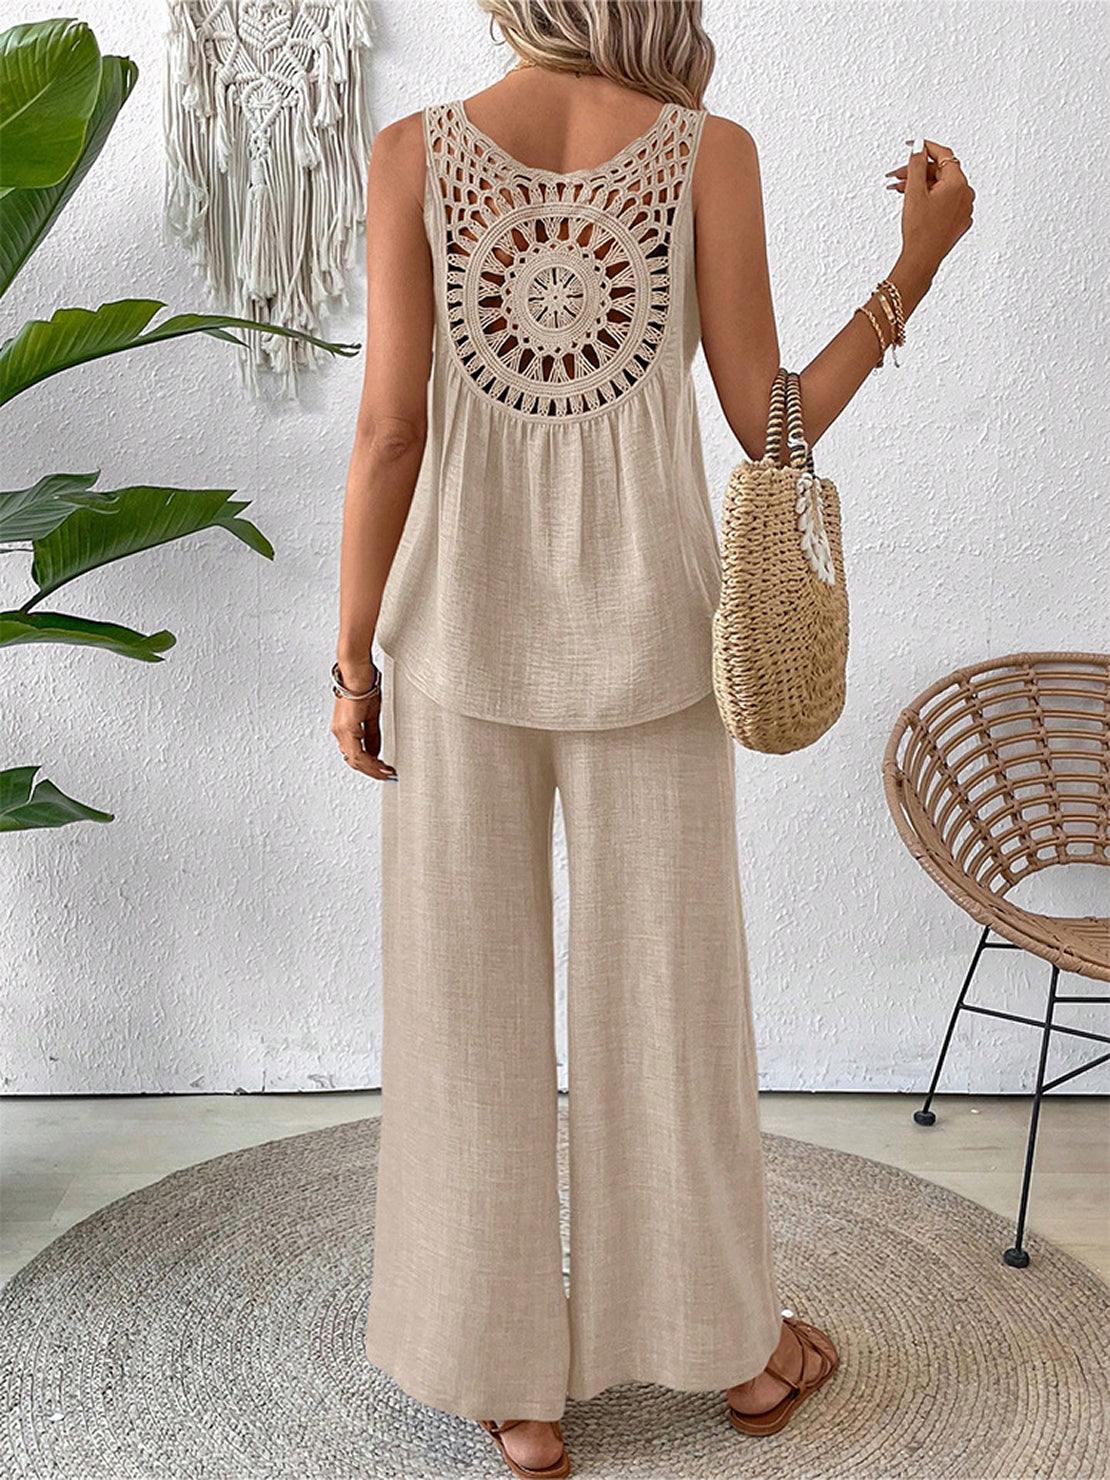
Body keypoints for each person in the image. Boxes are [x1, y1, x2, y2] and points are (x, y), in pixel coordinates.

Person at [330, 3, 974, 1475]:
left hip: (456, 640)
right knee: (672, 1007)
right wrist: (913, 269)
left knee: (463, 1015)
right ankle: (734, 1355)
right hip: (656, 642)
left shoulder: (410, 154)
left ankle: (515, 1393)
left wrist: (353, 654)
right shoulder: (706, 154)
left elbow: (387, 432)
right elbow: (772, 430)